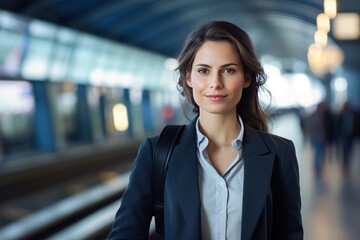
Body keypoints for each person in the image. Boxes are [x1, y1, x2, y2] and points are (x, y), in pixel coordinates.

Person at [107, 20, 303, 240]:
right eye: (204, 71)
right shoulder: (156, 152)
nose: (215, 83)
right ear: (188, 77)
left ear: (246, 78)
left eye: (228, 70)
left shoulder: (280, 154)